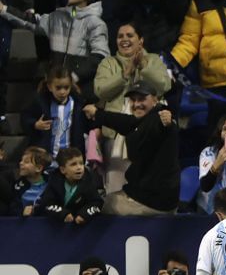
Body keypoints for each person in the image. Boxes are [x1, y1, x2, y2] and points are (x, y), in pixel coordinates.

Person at [0, 0, 109, 101]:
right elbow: (31, 22)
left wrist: (72, 77)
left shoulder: (96, 23)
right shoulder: (59, 17)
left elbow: (99, 58)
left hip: (80, 90)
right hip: (54, 89)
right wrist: (4, 9)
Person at [94, 22, 172, 193]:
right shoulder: (108, 63)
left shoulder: (153, 60)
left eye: (130, 35)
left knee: (147, 183)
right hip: (116, 135)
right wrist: (124, 75)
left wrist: (143, 68)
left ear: (140, 40)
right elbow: (101, 92)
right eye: (120, 36)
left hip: (149, 134)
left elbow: (163, 86)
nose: (124, 39)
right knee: (116, 186)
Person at [84, 80, 180, 215]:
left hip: (155, 201)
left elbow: (166, 127)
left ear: (155, 100)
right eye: (133, 100)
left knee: (105, 205)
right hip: (148, 195)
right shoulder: (144, 120)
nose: (136, 104)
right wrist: (97, 113)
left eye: (142, 99)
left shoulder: (159, 118)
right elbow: (127, 122)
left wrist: (168, 123)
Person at [22, 66, 88, 162]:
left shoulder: (78, 103)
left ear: (71, 85)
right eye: (58, 88)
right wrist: (35, 124)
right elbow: (25, 117)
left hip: (70, 157)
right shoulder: (40, 102)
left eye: (66, 87)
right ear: (49, 87)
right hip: (45, 156)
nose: (62, 92)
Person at [34, 147, 103, 223]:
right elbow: (46, 204)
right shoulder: (54, 182)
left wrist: (84, 215)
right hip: (56, 227)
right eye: (73, 164)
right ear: (63, 170)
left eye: (81, 163)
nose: (79, 167)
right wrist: (63, 214)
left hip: (80, 229)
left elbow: (97, 203)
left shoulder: (88, 182)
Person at [11, 147, 51, 216]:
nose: (21, 163)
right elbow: (13, 208)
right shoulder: (18, 186)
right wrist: (22, 212)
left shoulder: (51, 183)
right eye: (21, 160)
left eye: (26, 162)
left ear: (38, 168)